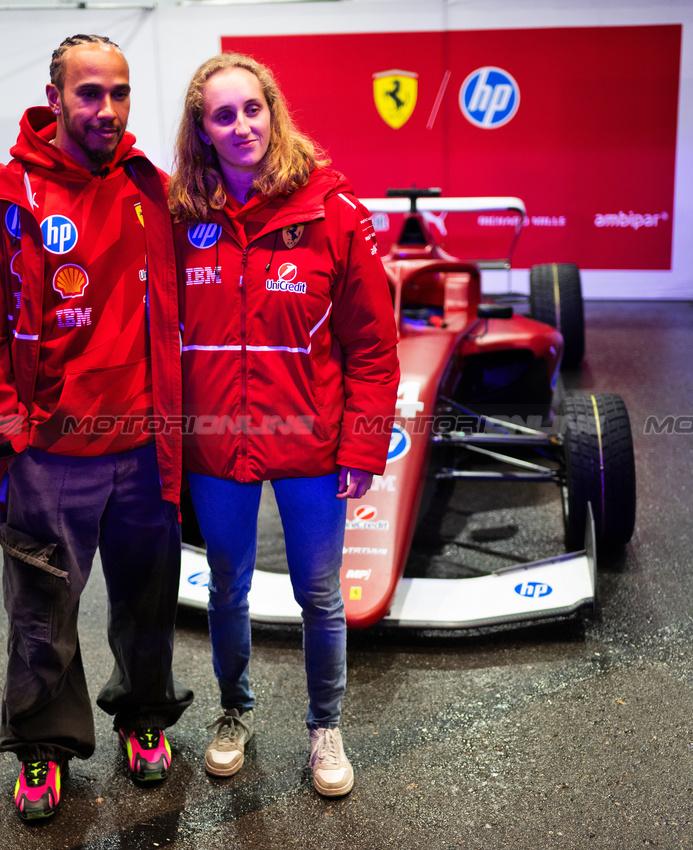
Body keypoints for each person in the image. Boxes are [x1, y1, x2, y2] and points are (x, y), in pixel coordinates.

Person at [0, 34, 191, 822]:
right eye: (89, 93)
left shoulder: (152, 188)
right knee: (41, 613)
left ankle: (145, 719)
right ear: (55, 96)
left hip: (148, 451)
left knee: (150, 603)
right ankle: (43, 749)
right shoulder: (2, 195)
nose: (107, 109)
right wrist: (15, 433)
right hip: (51, 456)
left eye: (118, 92)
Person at [168, 53, 399, 797]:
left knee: (320, 595)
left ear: (273, 111)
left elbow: (371, 344)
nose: (241, 126)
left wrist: (362, 441)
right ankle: (233, 713)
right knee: (226, 586)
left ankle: (324, 728)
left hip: (308, 443)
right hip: (214, 446)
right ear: (201, 130)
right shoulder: (180, 220)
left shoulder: (335, 213)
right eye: (222, 115)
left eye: (252, 109)